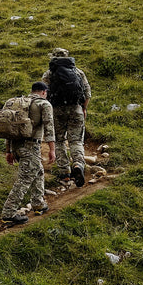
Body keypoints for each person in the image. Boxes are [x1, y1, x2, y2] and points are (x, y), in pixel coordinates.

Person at [0, 83, 56, 224]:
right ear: (44, 92)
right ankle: (9, 212)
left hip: (16, 145)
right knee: (24, 179)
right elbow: (49, 127)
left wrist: (8, 150)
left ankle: (38, 204)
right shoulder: (44, 104)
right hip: (31, 146)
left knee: (38, 171)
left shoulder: (17, 103)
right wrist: (52, 149)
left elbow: (8, 129)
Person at [42, 47, 91, 186]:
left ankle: (65, 172)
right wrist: (84, 108)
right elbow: (87, 93)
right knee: (76, 141)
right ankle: (78, 165)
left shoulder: (49, 74)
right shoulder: (78, 72)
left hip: (56, 110)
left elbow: (44, 95)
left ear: (53, 58)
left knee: (59, 140)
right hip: (76, 109)